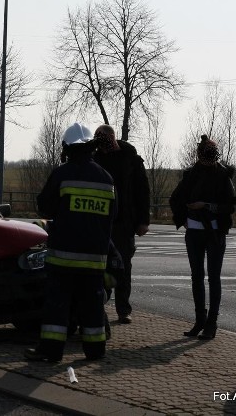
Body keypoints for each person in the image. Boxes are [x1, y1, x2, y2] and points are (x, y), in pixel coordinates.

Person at [24, 123, 116, 362]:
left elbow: (45, 206)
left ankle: (51, 352)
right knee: (93, 306)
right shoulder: (106, 178)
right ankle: (95, 351)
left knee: (57, 306)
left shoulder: (62, 174)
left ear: (67, 147)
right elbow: (112, 217)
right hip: (95, 259)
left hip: (63, 256)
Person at [169, 135, 236, 340]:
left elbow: (230, 206)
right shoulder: (190, 174)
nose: (207, 158)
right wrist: (184, 218)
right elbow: (176, 198)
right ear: (198, 154)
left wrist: (206, 206)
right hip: (194, 232)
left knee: (213, 277)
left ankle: (211, 323)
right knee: (197, 276)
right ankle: (200, 320)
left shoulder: (224, 176)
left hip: (214, 233)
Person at [93, 124, 150, 324]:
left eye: (103, 139)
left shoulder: (131, 161)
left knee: (123, 266)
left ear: (112, 138)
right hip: (100, 222)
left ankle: (123, 309)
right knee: (98, 266)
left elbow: (143, 191)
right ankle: (97, 305)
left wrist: (143, 221)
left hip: (124, 223)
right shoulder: (95, 159)